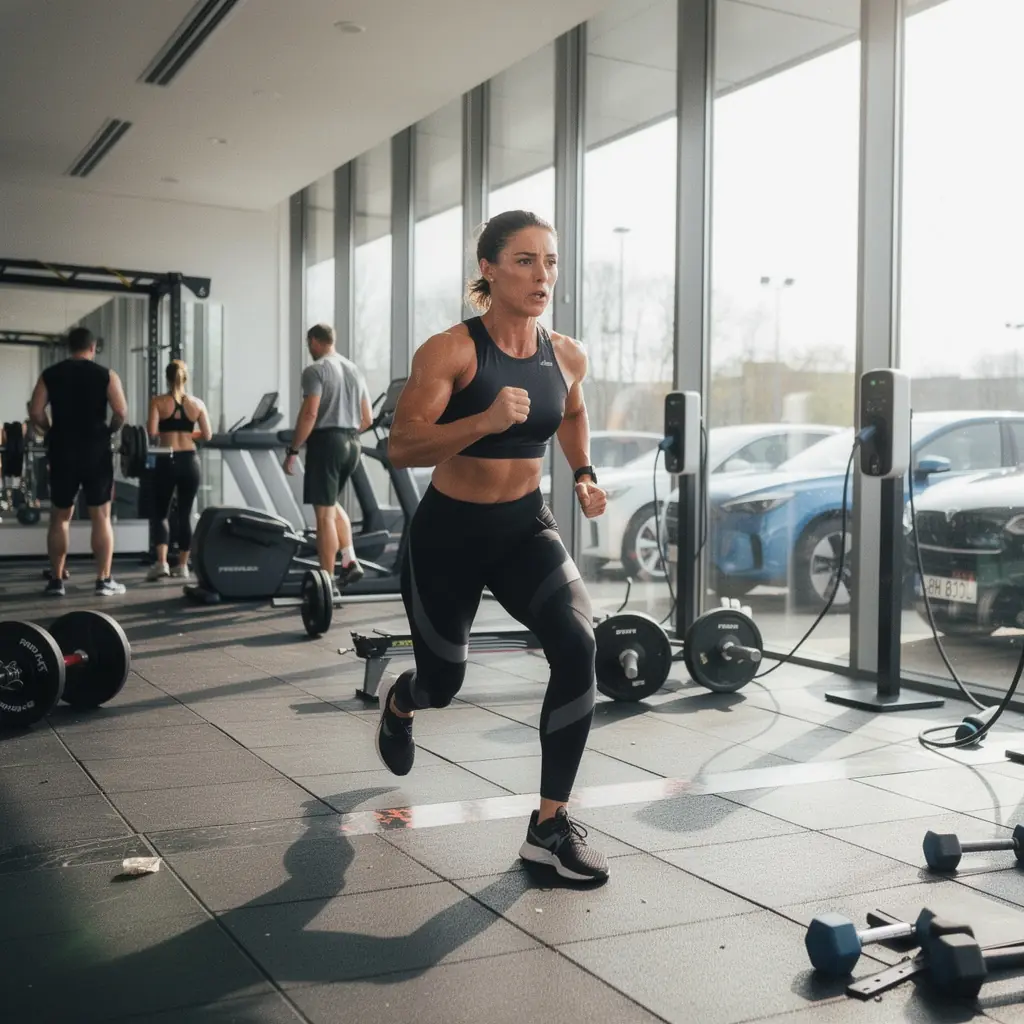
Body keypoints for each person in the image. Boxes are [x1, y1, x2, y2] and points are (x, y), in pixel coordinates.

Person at [378, 209, 610, 883]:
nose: (543, 276)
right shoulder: (450, 351)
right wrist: (482, 420)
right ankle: (402, 702)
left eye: (550, 262)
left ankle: (548, 828)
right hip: (449, 536)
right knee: (442, 684)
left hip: (524, 529)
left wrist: (584, 472)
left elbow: (571, 411)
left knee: (579, 644)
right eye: (525, 261)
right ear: (489, 268)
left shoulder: (566, 354)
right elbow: (402, 445)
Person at [28, 326, 129, 597]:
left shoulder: (50, 374)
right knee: (101, 516)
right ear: (93, 347)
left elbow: (36, 412)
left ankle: (56, 581)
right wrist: (109, 431)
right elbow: (121, 411)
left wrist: (50, 430)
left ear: (69, 347)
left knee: (60, 517)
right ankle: (103, 580)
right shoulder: (106, 375)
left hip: (62, 450)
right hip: (96, 450)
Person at [284, 323, 373, 594]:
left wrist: (293, 450)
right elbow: (367, 418)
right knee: (331, 504)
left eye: (308, 343)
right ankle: (349, 559)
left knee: (323, 516)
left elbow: (310, 413)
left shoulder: (315, 370)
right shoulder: (354, 369)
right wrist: (345, 435)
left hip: (327, 442)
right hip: (352, 443)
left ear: (314, 340)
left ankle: (327, 584)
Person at [145, 359, 213, 581]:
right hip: (190, 461)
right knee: (184, 514)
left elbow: (152, 432)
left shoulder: (158, 401)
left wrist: (170, 431)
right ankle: (183, 566)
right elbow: (207, 435)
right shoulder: (197, 404)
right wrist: (186, 433)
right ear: (186, 378)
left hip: (167, 459)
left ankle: (162, 563)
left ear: (167, 377)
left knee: (161, 513)